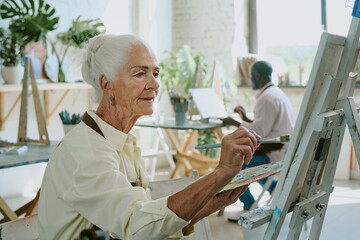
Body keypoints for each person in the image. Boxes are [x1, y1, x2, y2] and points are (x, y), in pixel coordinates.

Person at [37, 34, 261, 240]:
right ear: (107, 84)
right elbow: (136, 228)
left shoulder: (121, 142)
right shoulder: (86, 152)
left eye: (155, 73)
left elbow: (148, 222)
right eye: (140, 73)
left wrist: (208, 203)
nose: (154, 84)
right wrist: (219, 175)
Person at [223, 60, 294, 216]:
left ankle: (249, 204)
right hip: (282, 149)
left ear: (258, 76)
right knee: (248, 160)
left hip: (274, 152)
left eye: (251, 76)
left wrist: (234, 122)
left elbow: (260, 132)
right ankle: (272, 187)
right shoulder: (276, 93)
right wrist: (244, 117)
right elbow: (263, 126)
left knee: (235, 161)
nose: (250, 80)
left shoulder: (266, 98)